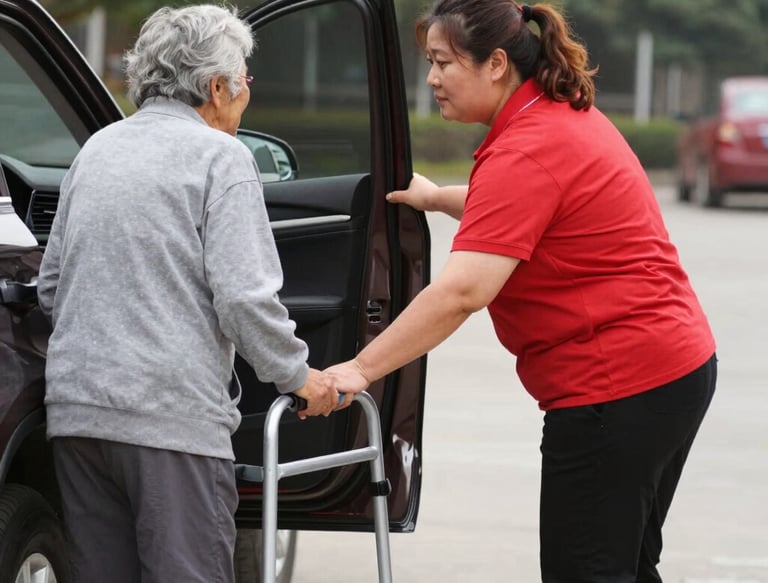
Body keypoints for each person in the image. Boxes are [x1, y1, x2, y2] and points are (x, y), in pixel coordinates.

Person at [327, 1, 717, 581]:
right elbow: (528, 209)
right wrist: (437, 198)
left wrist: (359, 369)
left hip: (617, 389)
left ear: (496, 64)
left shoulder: (526, 147)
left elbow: (463, 291)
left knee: (585, 569)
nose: (431, 78)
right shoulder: (551, 117)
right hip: (669, 372)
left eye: (442, 62)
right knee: (622, 565)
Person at [37, 5, 339, 582]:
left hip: (78, 416)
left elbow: (52, 286)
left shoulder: (96, 149)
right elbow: (245, 298)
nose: (247, 93)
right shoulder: (222, 158)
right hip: (171, 422)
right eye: (245, 80)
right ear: (217, 87)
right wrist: (300, 378)